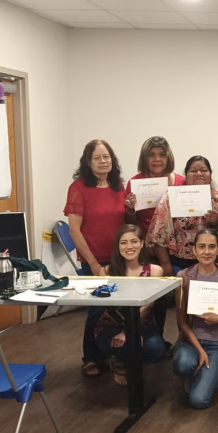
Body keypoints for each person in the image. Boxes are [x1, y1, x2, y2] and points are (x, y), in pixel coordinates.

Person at [64, 139, 127, 378]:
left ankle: (113, 354)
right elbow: (74, 231)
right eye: (97, 158)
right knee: (96, 308)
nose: (103, 162)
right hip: (93, 261)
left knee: (118, 308)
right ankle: (90, 357)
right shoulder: (78, 188)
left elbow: (124, 221)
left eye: (106, 157)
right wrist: (93, 264)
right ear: (88, 162)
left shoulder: (119, 186)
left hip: (119, 260)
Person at [173, 229, 218, 410]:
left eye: (212, 247)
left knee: (199, 400)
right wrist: (200, 350)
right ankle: (195, 370)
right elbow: (181, 323)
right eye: (201, 247)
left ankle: (212, 372)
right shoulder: (183, 277)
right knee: (182, 364)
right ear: (194, 250)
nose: (207, 251)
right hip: (191, 340)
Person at [95, 224, 165, 385]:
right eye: (123, 242)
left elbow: (147, 307)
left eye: (134, 241)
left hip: (142, 324)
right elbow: (108, 307)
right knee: (112, 342)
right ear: (117, 246)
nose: (129, 247)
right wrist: (125, 332)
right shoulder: (106, 271)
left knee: (155, 349)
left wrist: (130, 332)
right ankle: (120, 363)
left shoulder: (155, 271)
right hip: (112, 323)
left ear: (142, 243)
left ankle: (130, 360)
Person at [146, 156, 218, 277]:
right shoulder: (171, 198)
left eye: (204, 170)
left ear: (210, 174)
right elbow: (159, 235)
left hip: (215, 264)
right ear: (186, 174)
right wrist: (165, 265)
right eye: (193, 170)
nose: (199, 173)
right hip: (179, 264)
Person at [125, 136, 185, 236]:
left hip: (176, 242)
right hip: (144, 242)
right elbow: (129, 224)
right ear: (144, 158)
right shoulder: (134, 183)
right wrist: (130, 209)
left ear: (168, 157)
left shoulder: (182, 182)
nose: (157, 159)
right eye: (151, 155)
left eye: (162, 155)